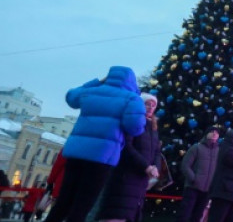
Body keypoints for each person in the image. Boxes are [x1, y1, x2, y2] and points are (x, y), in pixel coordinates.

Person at [44, 66, 147, 222]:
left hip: (76, 152)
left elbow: (71, 97)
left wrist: (97, 82)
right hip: (102, 155)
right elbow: (135, 127)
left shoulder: (92, 91)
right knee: (83, 204)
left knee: (64, 200)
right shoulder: (132, 99)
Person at [96, 93, 162, 222]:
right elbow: (126, 146)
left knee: (130, 213)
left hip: (141, 179)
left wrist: (156, 168)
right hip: (126, 175)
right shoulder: (133, 121)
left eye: (153, 105)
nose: (150, 107)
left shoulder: (153, 127)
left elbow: (157, 152)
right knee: (117, 213)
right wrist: (146, 166)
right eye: (147, 104)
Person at [177, 127, 220, 222]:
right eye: (212, 132)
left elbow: (219, 169)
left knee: (197, 216)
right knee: (184, 214)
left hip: (207, 190)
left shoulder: (219, 151)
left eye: (217, 133)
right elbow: (185, 165)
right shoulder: (196, 148)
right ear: (206, 134)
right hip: (192, 188)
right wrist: (193, 179)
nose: (214, 134)